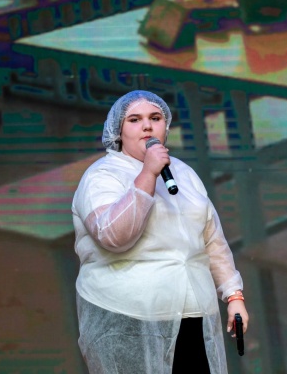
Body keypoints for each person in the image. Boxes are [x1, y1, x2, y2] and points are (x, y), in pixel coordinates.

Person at [72, 90, 249, 373]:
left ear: (165, 126)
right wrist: (148, 174)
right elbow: (113, 236)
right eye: (134, 120)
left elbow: (211, 241)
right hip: (130, 318)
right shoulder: (102, 175)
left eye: (155, 118)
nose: (147, 126)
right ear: (118, 131)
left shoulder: (184, 173)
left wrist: (233, 295)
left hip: (195, 315)